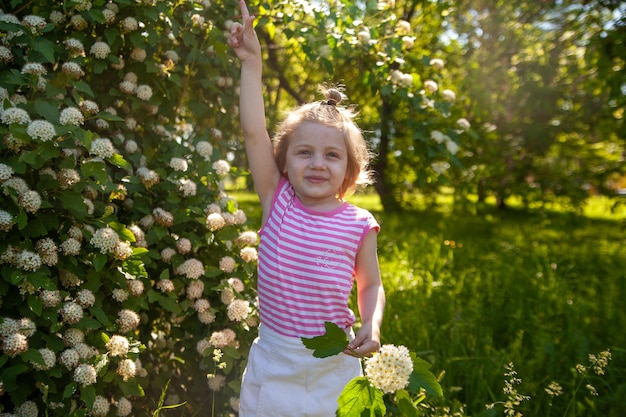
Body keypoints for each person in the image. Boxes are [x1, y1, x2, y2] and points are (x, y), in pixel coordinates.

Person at [228, 1, 386, 415]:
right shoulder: (277, 199)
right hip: (276, 358)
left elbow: (370, 284)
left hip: (335, 360)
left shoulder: (358, 224)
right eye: (304, 152)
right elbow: (252, 131)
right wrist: (252, 65)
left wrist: (372, 323)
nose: (317, 163)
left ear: (350, 169)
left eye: (332, 155)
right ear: (284, 161)